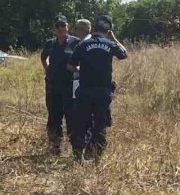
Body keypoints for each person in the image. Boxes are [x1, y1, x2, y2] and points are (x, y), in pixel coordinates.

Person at [67, 14, 128, 160]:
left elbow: (70, 66)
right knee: (100, 125)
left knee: (81, 123)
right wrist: (113, 38)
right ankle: (96, 157)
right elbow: (124, 54)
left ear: (94, 29)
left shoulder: (82, 45)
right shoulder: (110, 44)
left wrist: (81, 71)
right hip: (103, 92)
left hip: (85, 91)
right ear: (108, 31)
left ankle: (78, 156)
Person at [40, 15, 80, 155]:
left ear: (68, 27)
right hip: (53, 85)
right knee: (54, 115)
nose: (60, 29)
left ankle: (75, 147)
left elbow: (83, 60)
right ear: (54, 29)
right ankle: (54, 146)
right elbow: (43, 57)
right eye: (57, 26)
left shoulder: (76, 43)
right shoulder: (50, 43)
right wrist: (47, 69)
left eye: (63, 25)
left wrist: (79, 70)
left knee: (72, 115)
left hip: (70, 86)